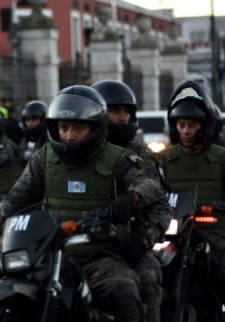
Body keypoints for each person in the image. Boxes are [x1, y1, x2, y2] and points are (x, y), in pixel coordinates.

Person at [0, 85, 171, 322]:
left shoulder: (119, 157)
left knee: (124, 288)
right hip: (49, 254)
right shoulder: (44, 157)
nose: (69, 135)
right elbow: (17, 196)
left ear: (96, 127)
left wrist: (132, 197)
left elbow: (150, 185)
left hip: (101, 256)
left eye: (78, 128)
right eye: (63, 127)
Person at [159, 93, 225, 322]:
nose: (185, 130)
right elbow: (153, 190)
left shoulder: (223, 156)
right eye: (181, 124)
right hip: (174, 233)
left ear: (204, 127)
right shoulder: (164, 159)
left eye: (192, 125)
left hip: (214, 232)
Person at [92, 79, 170, 322]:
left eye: (127, 111)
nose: (123, 117)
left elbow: (160, 205)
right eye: (115, 111)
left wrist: (142, 241)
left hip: (129, 242)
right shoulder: (78, 149)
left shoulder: (142, 155)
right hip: (82, 240)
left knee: (147, 278)